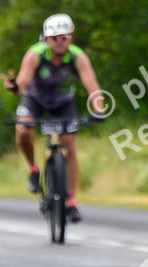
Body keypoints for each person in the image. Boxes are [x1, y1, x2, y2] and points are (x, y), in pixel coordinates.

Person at [9, 14, 107, 221]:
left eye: (64, 37)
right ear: (47, 39)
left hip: (63, 103)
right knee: (23, 130)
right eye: (55, 38)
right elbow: (22, 85)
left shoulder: (78, 57)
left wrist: (99, 110)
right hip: (35, 99)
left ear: (71, 37)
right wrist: (14, 87)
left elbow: (92, 86)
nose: (60, 42)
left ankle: (71, 200)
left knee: (70, 145)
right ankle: (33, 169)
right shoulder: (35, 54)